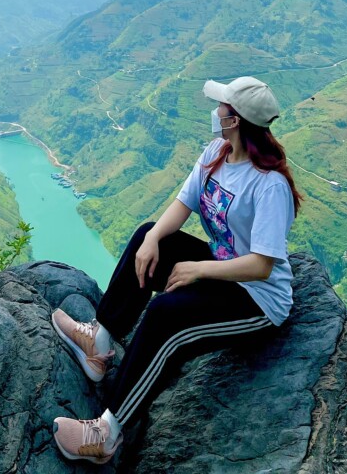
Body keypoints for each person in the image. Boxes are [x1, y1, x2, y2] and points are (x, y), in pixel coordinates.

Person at [51, 75, 302, 465]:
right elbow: (183, 203)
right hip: (222, 269)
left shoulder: (269, 185)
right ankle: (99, 344)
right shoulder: (217, 151)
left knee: (166, 317)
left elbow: (262, 265)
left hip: (257, 300)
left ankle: (106, 433)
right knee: (148, 236)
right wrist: (153, 240)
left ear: (234, 119)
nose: (215, 111)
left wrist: (199, 270)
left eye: (221, 106)